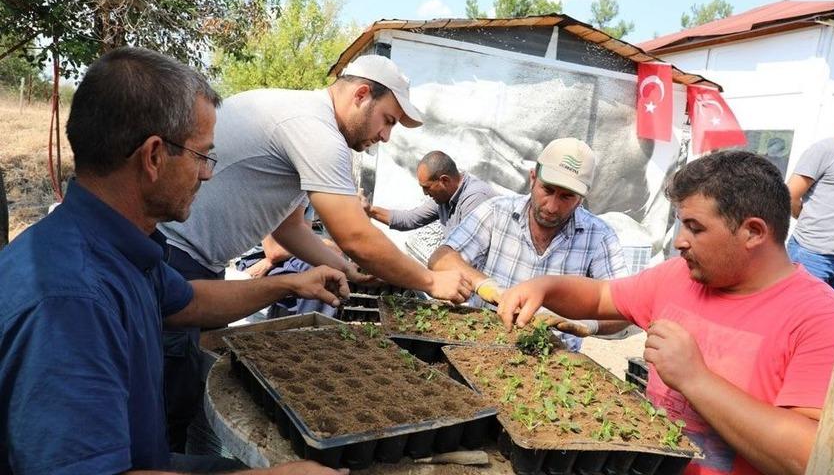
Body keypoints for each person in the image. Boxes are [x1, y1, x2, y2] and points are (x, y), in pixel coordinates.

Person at [0, 47, 348, 475]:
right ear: (153, 156)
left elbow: (188, 301)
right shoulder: (71, 303)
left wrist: (289, 284)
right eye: (202, 156)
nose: (208, 173)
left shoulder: (113, 247)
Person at [157, 55, 471, 450]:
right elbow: (354, 234)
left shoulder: (307, 121)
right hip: (174, 255)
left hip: (196, 260)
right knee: (165, 398)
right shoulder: (315, 129)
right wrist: (430, 280)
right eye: (388, 120)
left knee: (184, 391)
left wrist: (345, 268)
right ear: (361, 95)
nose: (386, 136)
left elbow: (290, 229)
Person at [498, 150, 834, 475]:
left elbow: (810, 456)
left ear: (753, 232)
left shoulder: (823, 319)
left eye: (695, 228)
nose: (679, 240)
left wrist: (695, 379)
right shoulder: (679, 276)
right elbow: (602, 296)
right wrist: (545, 287)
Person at [428, 138, 630, 351]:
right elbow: (441, 258)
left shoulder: (599, 236)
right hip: (484, 348)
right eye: (547, 190)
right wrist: (486, 286)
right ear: (533, 178)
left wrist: (588, 324)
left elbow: (626, 306)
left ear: (581, 198)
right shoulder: (497, 212)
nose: (552, 207)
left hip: (554, 357)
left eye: (566, 197)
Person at [787, 92, 834, 291]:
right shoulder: (825, 150)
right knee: (801, 308)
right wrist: (807, 218)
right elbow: (790, 195)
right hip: (811, 256)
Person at [362, 150, 496, 236]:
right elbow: (410, 219)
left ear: (444, 180)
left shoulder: (476, 198)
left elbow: (466, 251)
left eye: (427, 187)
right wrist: (370, 210)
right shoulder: (444, 198)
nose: (425, 193)